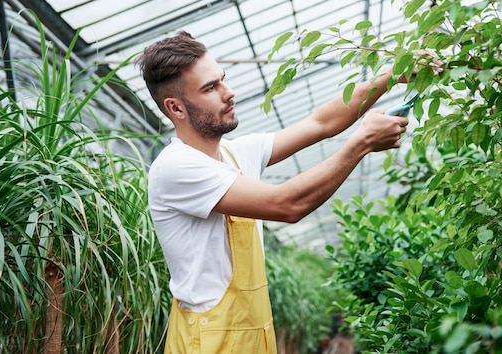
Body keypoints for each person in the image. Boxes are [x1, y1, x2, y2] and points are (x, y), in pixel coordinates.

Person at [136, 31, 422, 354]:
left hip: (251, 338)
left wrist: (389, 77)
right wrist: (362, 143)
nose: (229, 93)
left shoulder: (234, 154)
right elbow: (288, 204)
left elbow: (320, 123)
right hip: (208, 344)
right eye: (210, 88)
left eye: (223, 80)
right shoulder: (176, 168)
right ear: (176, 108)